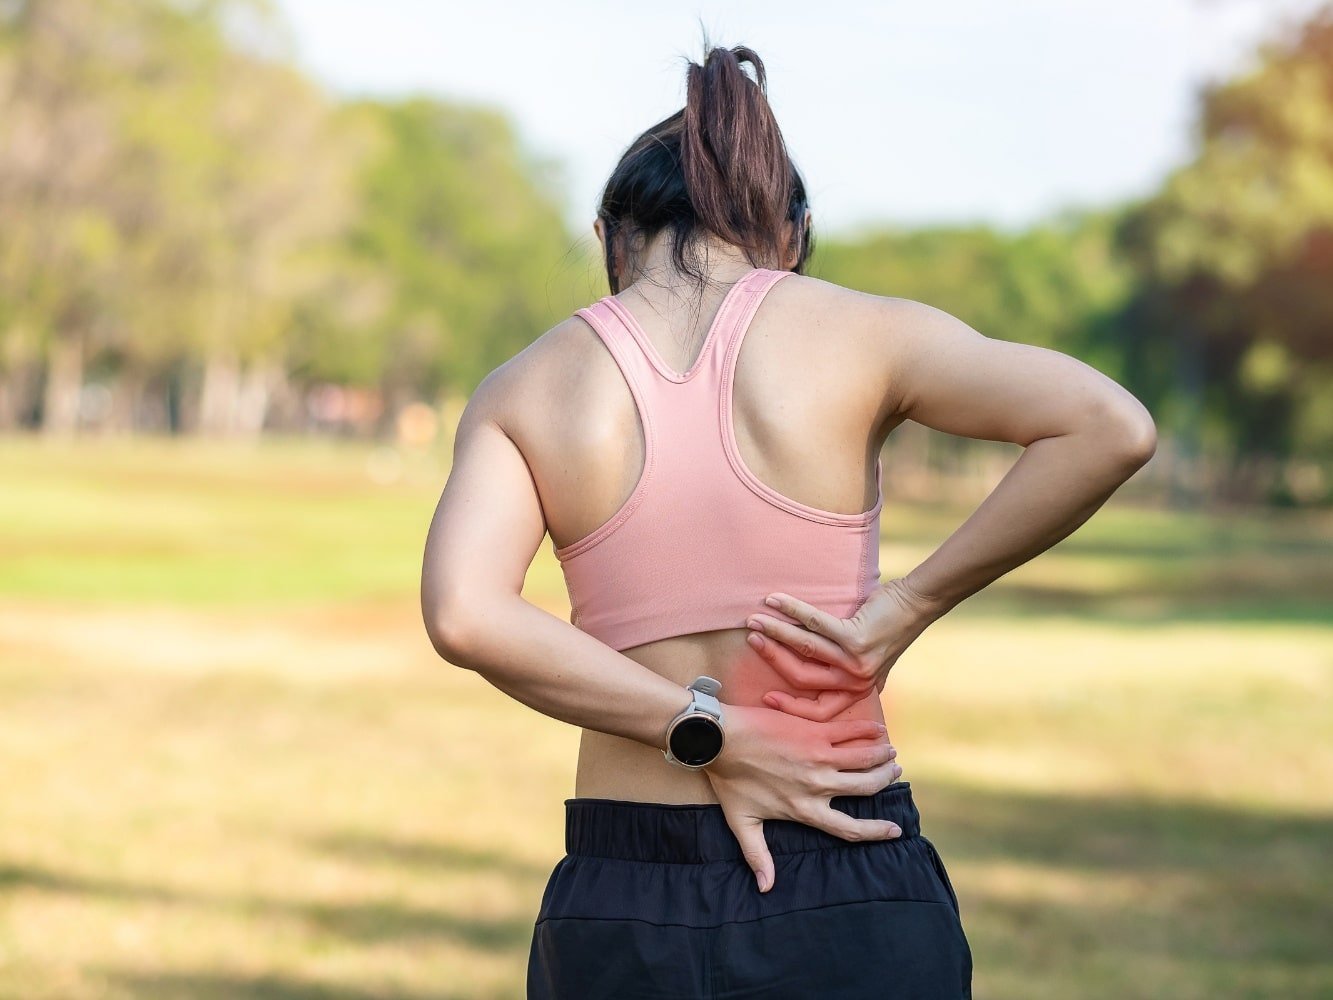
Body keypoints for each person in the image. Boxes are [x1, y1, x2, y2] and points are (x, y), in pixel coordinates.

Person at [420, 41, 1156, 1000]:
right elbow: (1109, 425)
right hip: (841, 859)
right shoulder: (866, 333)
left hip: (619, 898)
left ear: (609, 233)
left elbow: (466, 615)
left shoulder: (525, 384)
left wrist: (703, 735)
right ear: (794, 233)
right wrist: (906, 605)